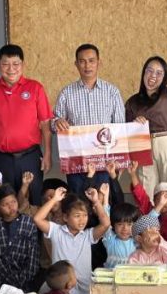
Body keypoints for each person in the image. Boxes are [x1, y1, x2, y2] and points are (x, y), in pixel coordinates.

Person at [0, 44, 53, 203]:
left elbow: (45, 124)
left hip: (30, 157)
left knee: (33, 201)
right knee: (3, 202)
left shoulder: (35, 88)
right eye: (5, 64)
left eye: (16, 64)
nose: (11, 69)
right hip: (2, 158)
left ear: (23, 64)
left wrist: (47, 154)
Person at [52, 43, 126, 197]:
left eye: (91, 61)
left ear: (99, 63)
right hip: (77, 162)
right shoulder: (66, 93)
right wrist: (57, 122)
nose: (87, 66)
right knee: (78, 203)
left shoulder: (112, 92)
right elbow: (54, 122)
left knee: (104, 203)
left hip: (105, 162)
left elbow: (120, 128)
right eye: (82, 61)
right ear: (76, 64)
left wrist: (120, 160)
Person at [125, 48, 167, 198]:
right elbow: (126, 130)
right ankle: (149, 215)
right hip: (143, 145)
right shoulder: (133, 102)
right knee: (147, 188)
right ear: (143, 73)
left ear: (164, 78)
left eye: (159, 73)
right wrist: (134, 124)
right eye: (150, 71)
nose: (153, 75)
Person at [33, 188, 110, 294]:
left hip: (85, 293)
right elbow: (37, 219)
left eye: (85, 215)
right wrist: (54, 199)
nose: (82, 220)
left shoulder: (88, 235)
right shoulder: (56, 231)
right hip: (59, 292)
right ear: (65, 217)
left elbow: (106, 224)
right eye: (77, 216)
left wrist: (96, 201)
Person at [0, 181, 41, 291]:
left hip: (28, 280)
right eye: (5, 204)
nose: (11, 206)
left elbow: (34, 254)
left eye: (13, 202)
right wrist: (10, 280)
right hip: (4, 282)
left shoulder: (28, 222)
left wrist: (23, 279)